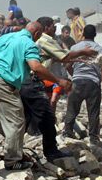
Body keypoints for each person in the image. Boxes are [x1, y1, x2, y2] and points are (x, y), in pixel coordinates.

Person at [0, 21, 72, 170]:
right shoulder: (29, 44)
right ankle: (13, 160)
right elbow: (36, 67)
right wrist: (59, 81)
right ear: (36, 34)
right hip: (2, 82)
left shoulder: (7, 36)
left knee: (1, 108)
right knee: (16, 120)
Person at [19, 17, 96, 162]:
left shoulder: (28, 39)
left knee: (26, 116)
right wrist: (83, 52)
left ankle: (14, 150)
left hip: (23, 81)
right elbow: (63, 55)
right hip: (33, 81)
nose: (55, 29)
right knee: (48, 117)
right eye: (53, 26)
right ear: (46, 28)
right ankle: (52, 152)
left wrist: (76, 59)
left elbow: (56, 58)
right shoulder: (44, 39)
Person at [64, 25, 102, 146]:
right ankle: (93, 138)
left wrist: (75, 76)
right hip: (93, 83)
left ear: (83, 34)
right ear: (95, 35)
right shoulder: (100, 50)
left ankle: (67, 132)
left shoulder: (74, 48)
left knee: (72, 108)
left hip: (77, 82)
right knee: (93, 111)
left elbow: (68, 65)